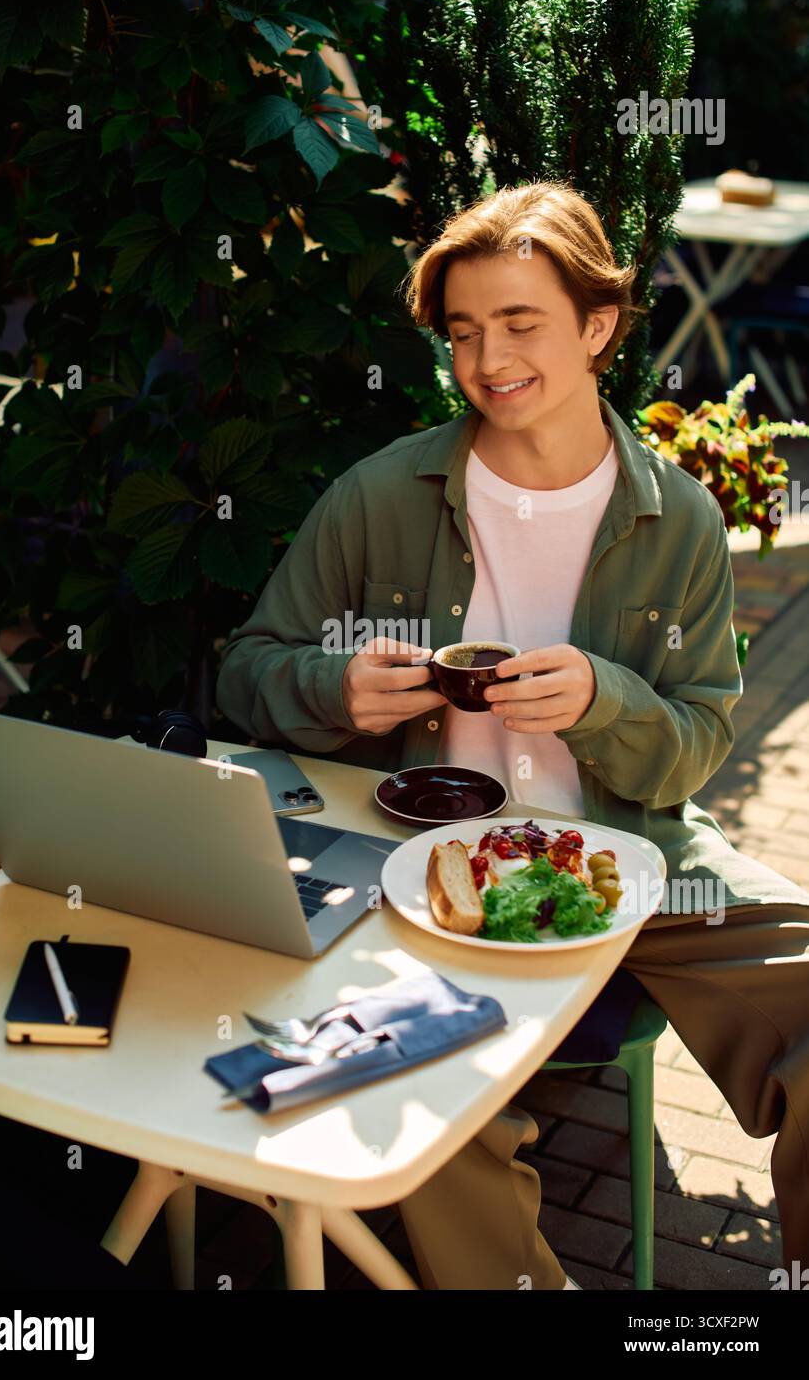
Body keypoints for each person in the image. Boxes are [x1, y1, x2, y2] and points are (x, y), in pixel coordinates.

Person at [217, 182, 809, 1289]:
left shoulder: (675, 515)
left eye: (519, 321)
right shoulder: (378, 495)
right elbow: (248, 673)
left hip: (630, 866)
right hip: (416, 877)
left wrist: (603, 699)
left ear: (596, 326)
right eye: (461, 330)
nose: (486, 358)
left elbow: (695, 741)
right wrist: (336, 688)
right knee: (418, 1099)